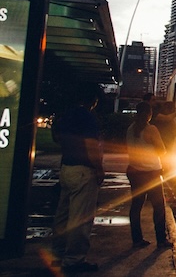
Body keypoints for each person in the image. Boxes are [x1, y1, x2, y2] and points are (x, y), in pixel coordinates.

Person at [51, 84, 104, 273]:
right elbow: (91, 146)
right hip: (83, 171)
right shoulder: (87, 117)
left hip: (66, 167)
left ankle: (57, 253)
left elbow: (56, 136)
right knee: (80, 218)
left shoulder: (67, 115)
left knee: (63, 215)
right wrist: (99, 169)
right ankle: (74, 260)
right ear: (93, 100)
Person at [126, 101, 171, 249]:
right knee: (158, 207)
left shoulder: (130, 129)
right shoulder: (151, 129)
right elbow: (162, 150)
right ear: (149, 114)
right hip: (151, 173)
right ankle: (161, 239)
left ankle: (137, 239)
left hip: (134, 171)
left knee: (136, 206)